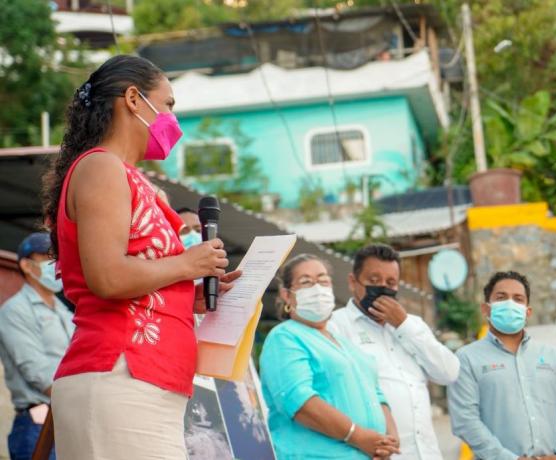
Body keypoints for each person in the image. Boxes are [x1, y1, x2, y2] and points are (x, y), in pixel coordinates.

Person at [40, 55, 240, 459]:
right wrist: (189, 264)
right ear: (133, 99)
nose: (172, 119)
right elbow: (108, 277)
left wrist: (186, 291)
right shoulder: (101, 167)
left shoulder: (124, 175)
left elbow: (134, 275)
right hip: (120, 372)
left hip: (143, 379)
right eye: (167, 104)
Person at [260, 254, 401, 459]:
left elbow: (376, 392)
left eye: (323, 281)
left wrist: (388, 441)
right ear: (287, 295)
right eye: (306, 282)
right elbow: (299, 401)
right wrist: (358, 436)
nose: (317, 289)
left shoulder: (341, 340)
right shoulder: (285, 337)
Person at [328, 244, 460, 460]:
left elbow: (449, 373)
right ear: (353, 282)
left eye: (390, 283)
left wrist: (403, 324)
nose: (382, 287)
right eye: (373, 280)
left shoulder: (412, 325)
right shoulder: (336, 326)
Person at [448, 271, 556, 460]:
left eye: (518, 299)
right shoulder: (467, 358)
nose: (510, 304)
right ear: (486, 309)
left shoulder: (552, 356)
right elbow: (465, 421)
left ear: (528, 311)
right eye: (501, 297)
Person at [0, 233, 74, 460]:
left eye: (57, 257)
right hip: (38, 422)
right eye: (47, 256)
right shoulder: (15, 310)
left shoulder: (65, 312)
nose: (55, 264)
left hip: (69, 419)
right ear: (26, 265)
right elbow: (36, 371)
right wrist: (79, 397)